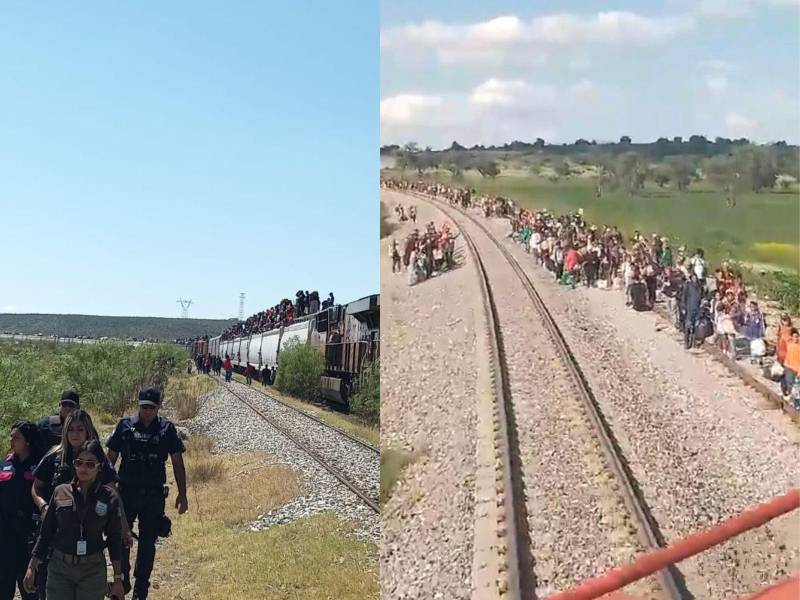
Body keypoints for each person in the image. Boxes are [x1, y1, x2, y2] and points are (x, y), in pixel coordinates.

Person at [31, 410, 123, 600]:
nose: (75, 433)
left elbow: (113, 495)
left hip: (91, 553)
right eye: (70, 429)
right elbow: (36, 488)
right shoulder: (53, 456)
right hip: (58, 541)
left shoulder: (100, 459)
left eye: (80, 429)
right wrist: (44, 507)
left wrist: (125, 528)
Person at [106, 388, 187, 600]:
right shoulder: (125, 426)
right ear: (138, 405)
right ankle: (121, 580)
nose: (147, 411)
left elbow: (177, 461)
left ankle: (141, 589)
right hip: (126, 494)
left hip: (153, 497)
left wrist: (183, 494)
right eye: (143, 407)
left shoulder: (167, 429)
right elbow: (109, 461)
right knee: (120, 537)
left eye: (151, 407)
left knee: (148, 544)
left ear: (158, 407)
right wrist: (105, 489)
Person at [0, 422, 44, 600]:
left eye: (16, 437)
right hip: (5, 534)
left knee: (30, 587)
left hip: (29, 534)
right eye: (11, 436)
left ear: (27, 441)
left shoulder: (40, 465)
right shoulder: (5, 463)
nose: (11, 440)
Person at [681, 272, 703, 348]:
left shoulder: (700, 286)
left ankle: (694, 342)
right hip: (689, 308)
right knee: (688, 325)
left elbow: (702, 297)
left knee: (695, 326)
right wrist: (683, 307)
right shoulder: (688, 285)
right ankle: (686, 342)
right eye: (693, 277)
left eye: (695, 277)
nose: (695, 279)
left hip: (697, 309)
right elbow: (684, 296)